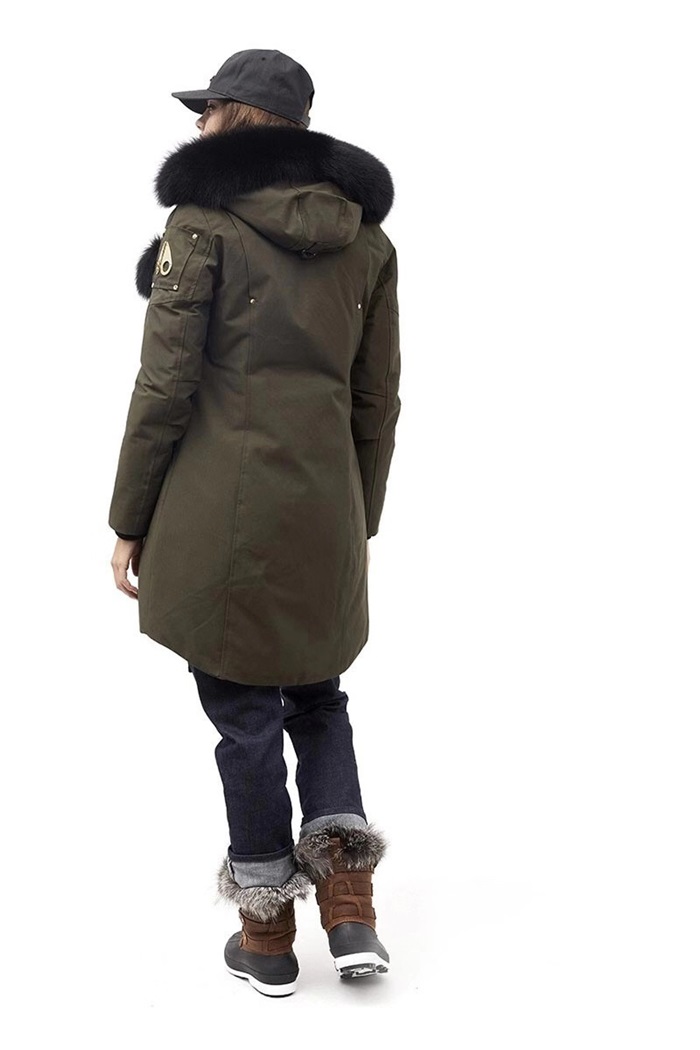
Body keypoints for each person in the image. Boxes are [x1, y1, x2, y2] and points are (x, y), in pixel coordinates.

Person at [108, 48, 401, 997]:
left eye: (207, 111)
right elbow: (377, 399)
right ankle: (351, 908)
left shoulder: (200, 228)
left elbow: (163, 386)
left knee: (243, 715)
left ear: (235, 118)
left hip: (220, 518)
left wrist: (129, 516)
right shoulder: (368, 242)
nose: (196, 125)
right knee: (318, 697)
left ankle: (268, 935)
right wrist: (357, 515)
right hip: (325, 511)